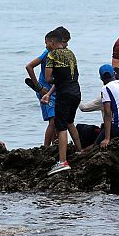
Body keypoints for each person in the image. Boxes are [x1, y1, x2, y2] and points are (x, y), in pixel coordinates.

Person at [42, 30, 83, 175]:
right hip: (76, 92)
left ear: (52, 42)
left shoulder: (52, 55)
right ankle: (79, 151)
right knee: (70, 121)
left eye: (47, 42)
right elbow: (73, 75)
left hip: (64, 94)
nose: (46, 45)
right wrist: (50, 93)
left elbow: (48, 79)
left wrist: (53, 81)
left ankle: (62, 161)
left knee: (61, 127)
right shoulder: (71, 54)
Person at [24, 27, 71, 146]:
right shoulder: (47, 53)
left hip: (55, 90)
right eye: (64, 42)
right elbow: (29, 67)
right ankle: (45, 148)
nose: (65, 45)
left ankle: (55, 144)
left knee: (58, 120)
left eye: (66, 42)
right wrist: (39, 87)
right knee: (53, 120)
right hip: (45, 90)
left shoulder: (62, 53)